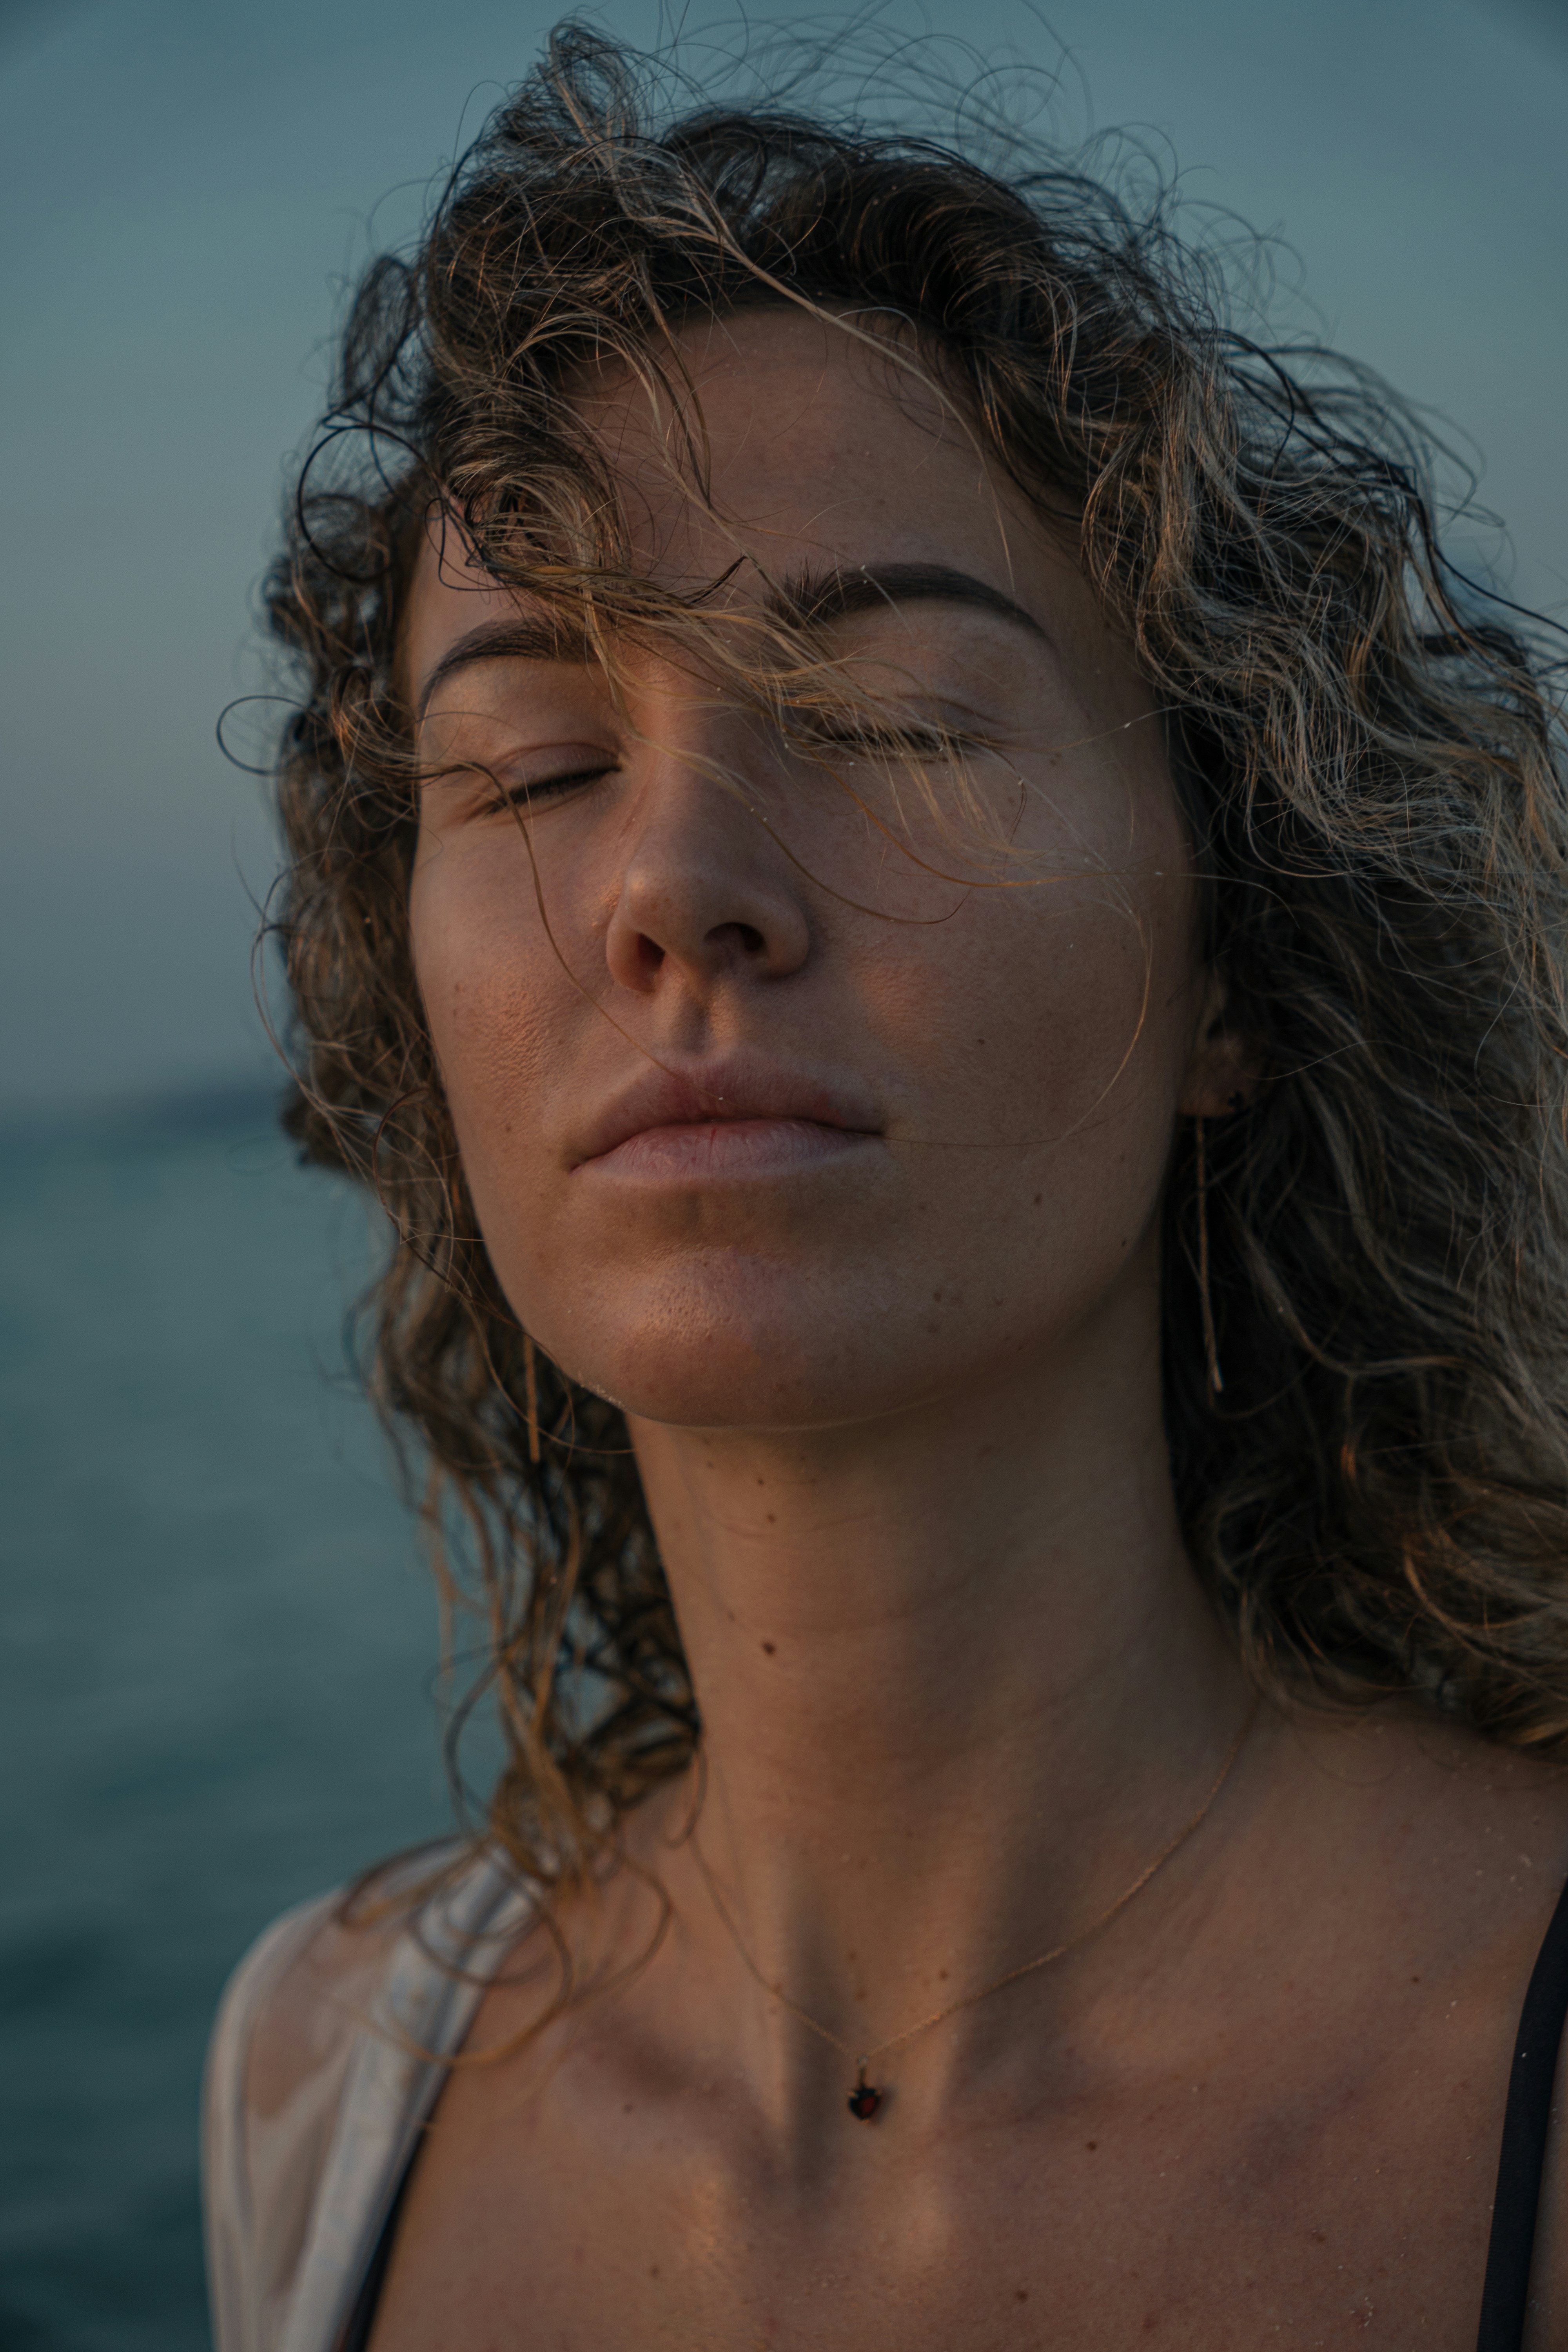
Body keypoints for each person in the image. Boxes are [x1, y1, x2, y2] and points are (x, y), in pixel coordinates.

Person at [204, 26, 1568, 2350]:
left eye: (887, 721)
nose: (673, 883)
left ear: (1236, 956)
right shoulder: (321, 2081)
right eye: (533, 766)